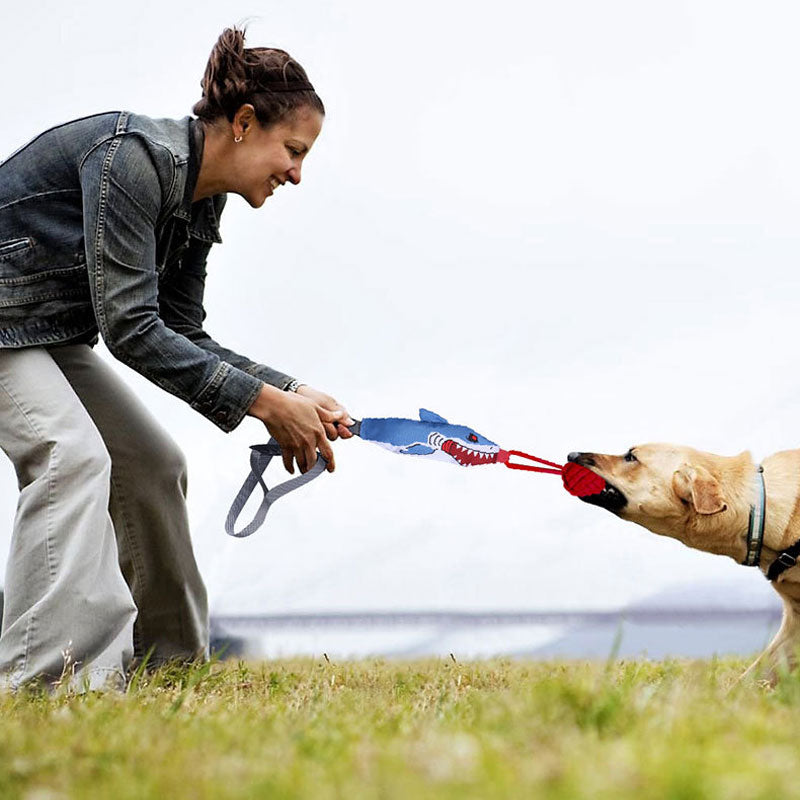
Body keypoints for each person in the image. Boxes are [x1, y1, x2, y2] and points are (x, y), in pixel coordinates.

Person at [0, 26, 353, 690]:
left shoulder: (201, 199)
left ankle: (171, 671)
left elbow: (181, 330)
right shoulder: (132, 159)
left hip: (39, 331)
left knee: (154, 465)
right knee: (71, 456)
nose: (297, 175)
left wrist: (293, 391)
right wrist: (267, 406)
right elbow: (132, 329)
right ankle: (40, 684)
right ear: (245, 123)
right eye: (294, 151)